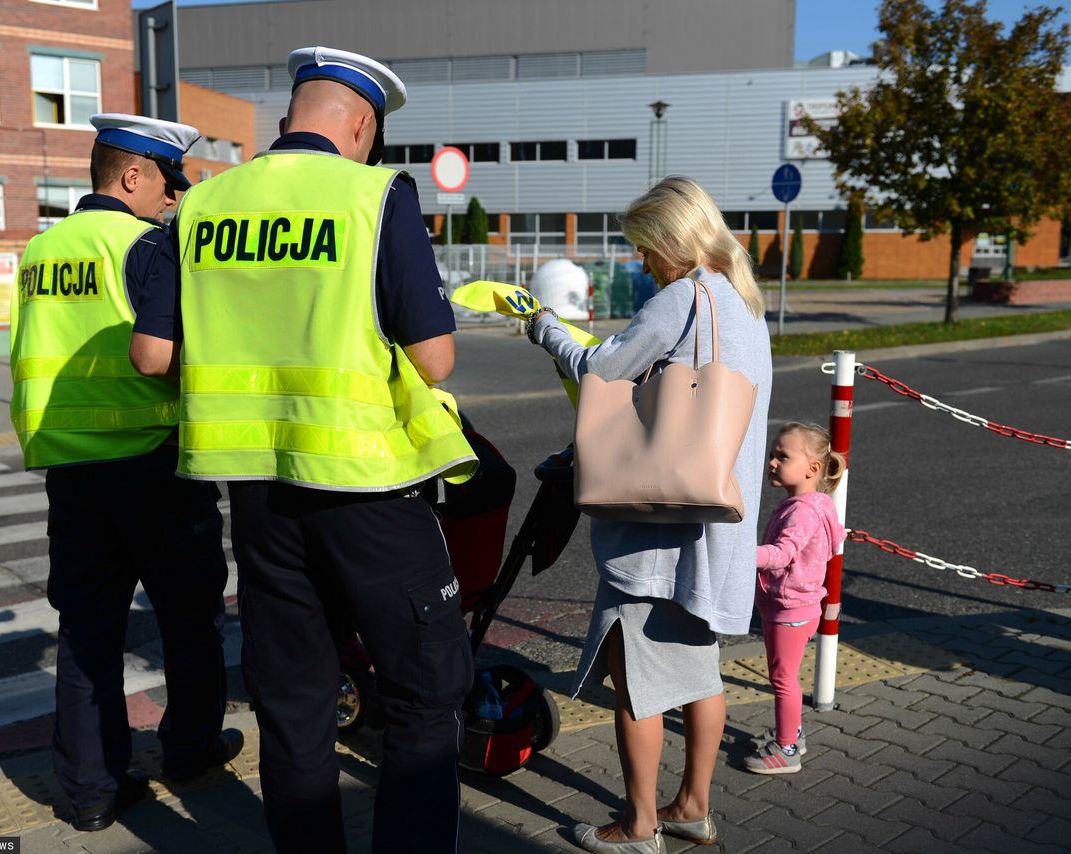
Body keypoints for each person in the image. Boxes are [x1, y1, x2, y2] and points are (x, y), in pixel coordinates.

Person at [136, 47, 478, 853]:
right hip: (367, 490)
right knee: (427, 692)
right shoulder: (370, 195)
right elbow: (434, 359)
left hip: (257, 496)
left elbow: (155, 355)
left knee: (293, 707)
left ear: (288, 118)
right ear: (361, 125)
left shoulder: (205, 205)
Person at [525, 176, 772, 854]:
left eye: (644, 247)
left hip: (661, 538)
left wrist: (545, 329)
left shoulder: (681, 299)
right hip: (716, 532)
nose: (642, 262)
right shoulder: (744, 305)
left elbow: (603, 369)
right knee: (698, 674)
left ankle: (637, 828)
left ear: (672, 240)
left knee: (637, 680)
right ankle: (692, 805)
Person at [9, 113, 241, 833]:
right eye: (169, 183)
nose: (174, 199)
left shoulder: (40, 249)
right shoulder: (146, 245)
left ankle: (88, 792)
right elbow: (169, 349)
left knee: (86, 631)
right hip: (151, 460)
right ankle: (191, 750)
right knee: (189, 619)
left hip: (70, 468)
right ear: (133, 176)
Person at [744, 422, 846, 775]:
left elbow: (782, 554)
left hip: (789, 608)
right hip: (800, 605)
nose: (771, 461)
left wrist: (742, 554)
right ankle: (792, 732)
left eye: (782, 456)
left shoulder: (801, 511)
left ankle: (788, 750)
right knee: (784, 675)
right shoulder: (815, 504)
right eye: (772, 454)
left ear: (812, 468)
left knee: (783, 678)